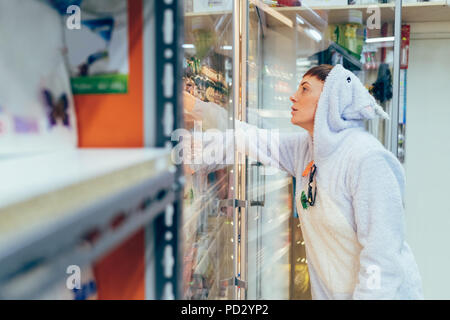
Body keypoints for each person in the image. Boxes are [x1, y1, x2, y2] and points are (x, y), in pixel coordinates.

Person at [182, 64, 424, 300]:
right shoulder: (307, 148)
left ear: (332, 99)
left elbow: (382, 259)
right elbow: (249, 138)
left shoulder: (367, 159)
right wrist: (194, 113)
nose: (293, 96)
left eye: (305, 89)